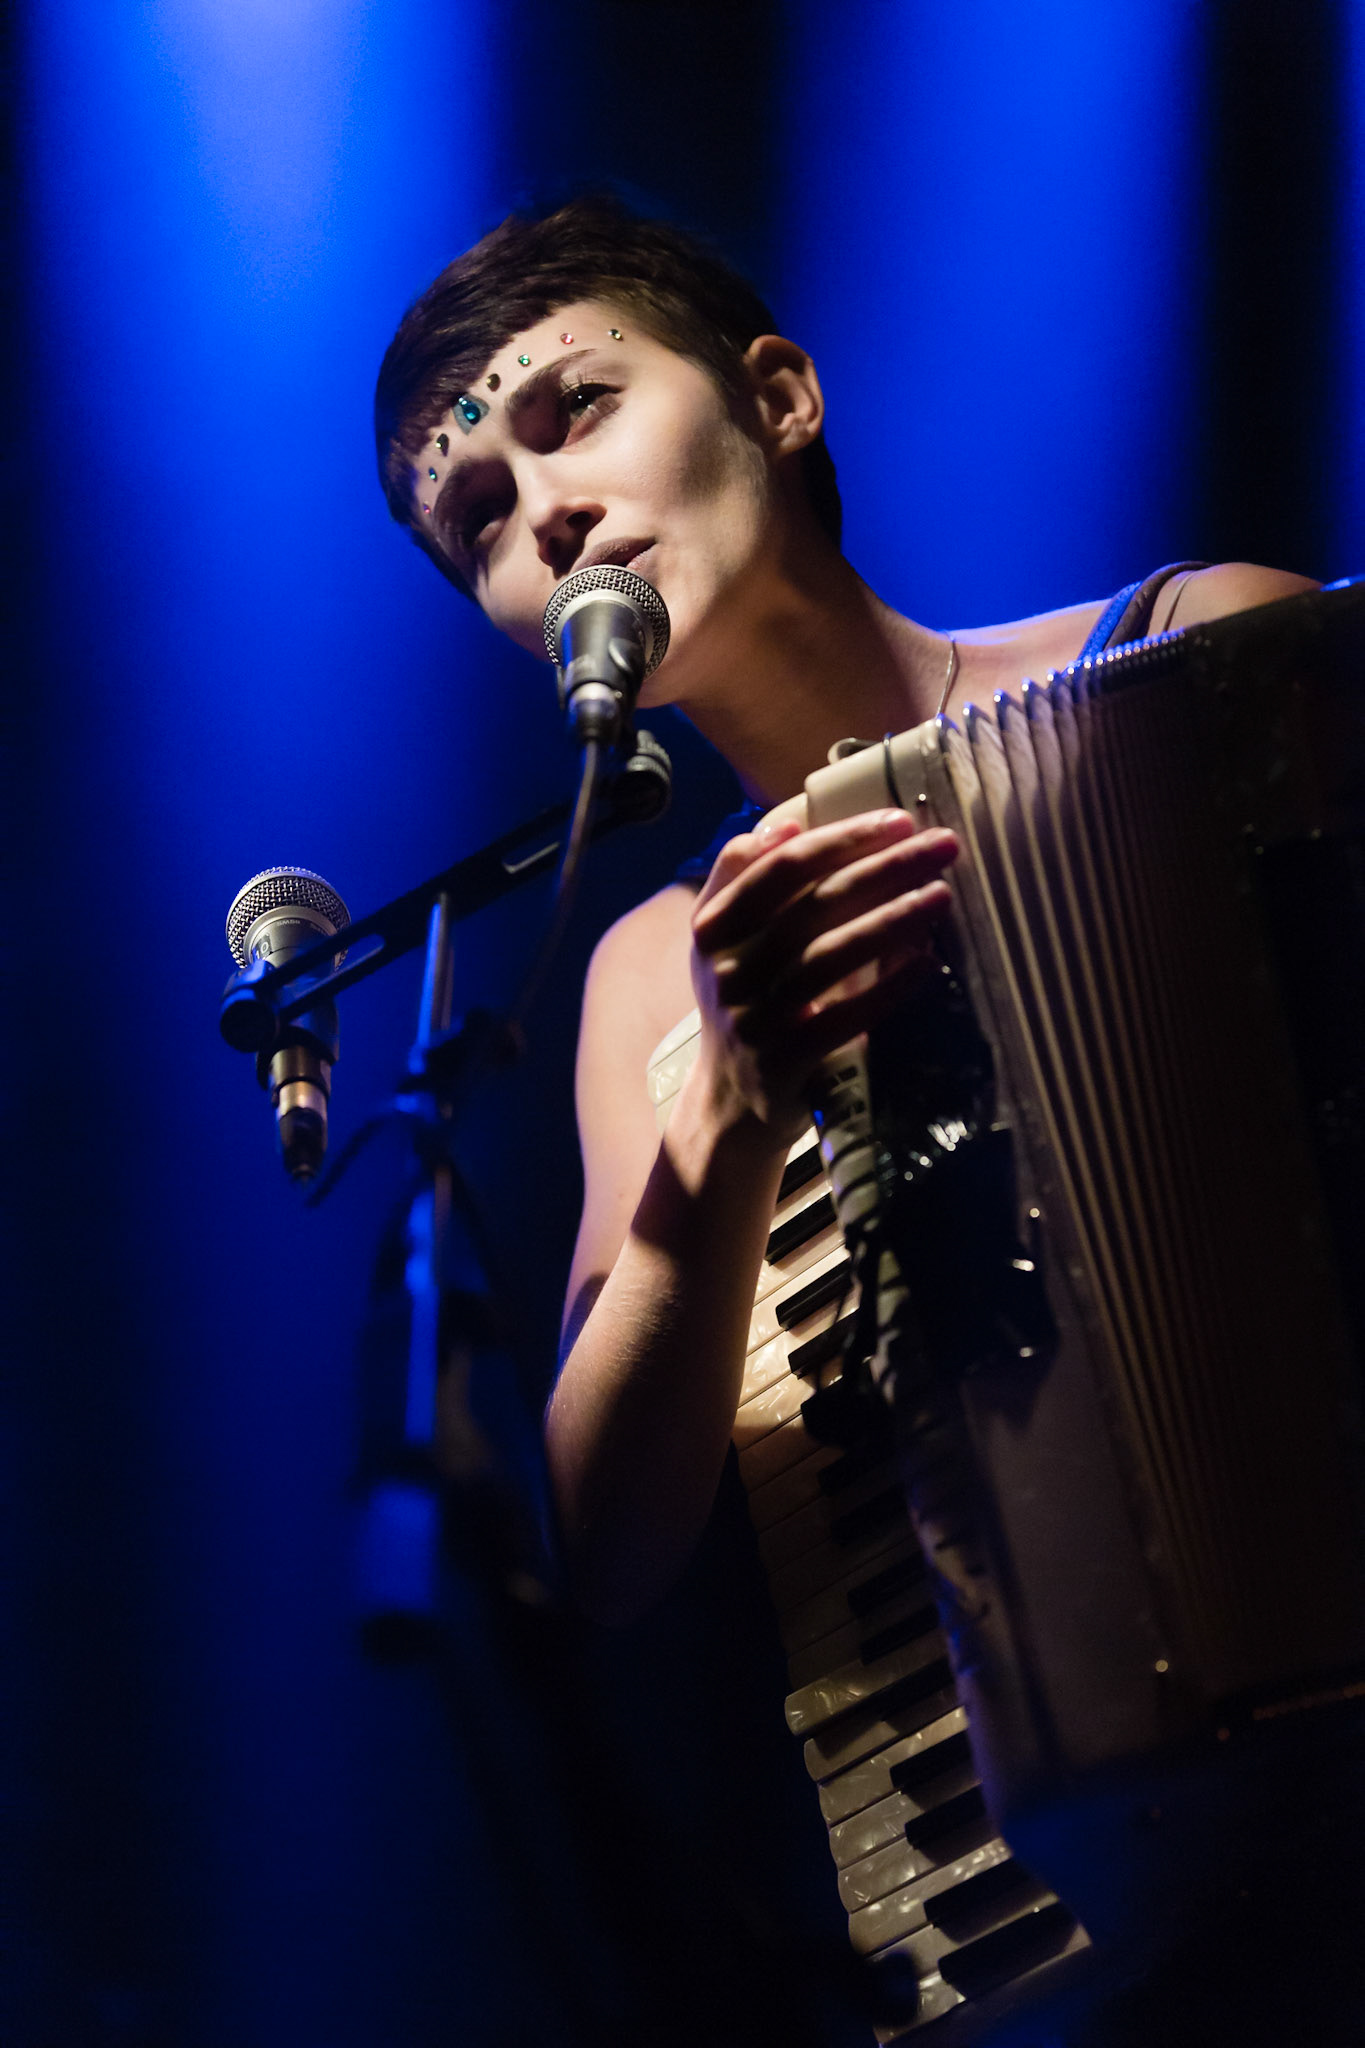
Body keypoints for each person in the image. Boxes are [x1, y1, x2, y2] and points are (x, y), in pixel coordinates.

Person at [373, 196, 1317, 1636]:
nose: (547, 514)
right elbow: (596, 1551)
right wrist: (727, 1118)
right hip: (1025, 1792)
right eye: (481, 517)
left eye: (578, 411)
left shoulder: (1197, 648)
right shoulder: (651, 971)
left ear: (778, 397)